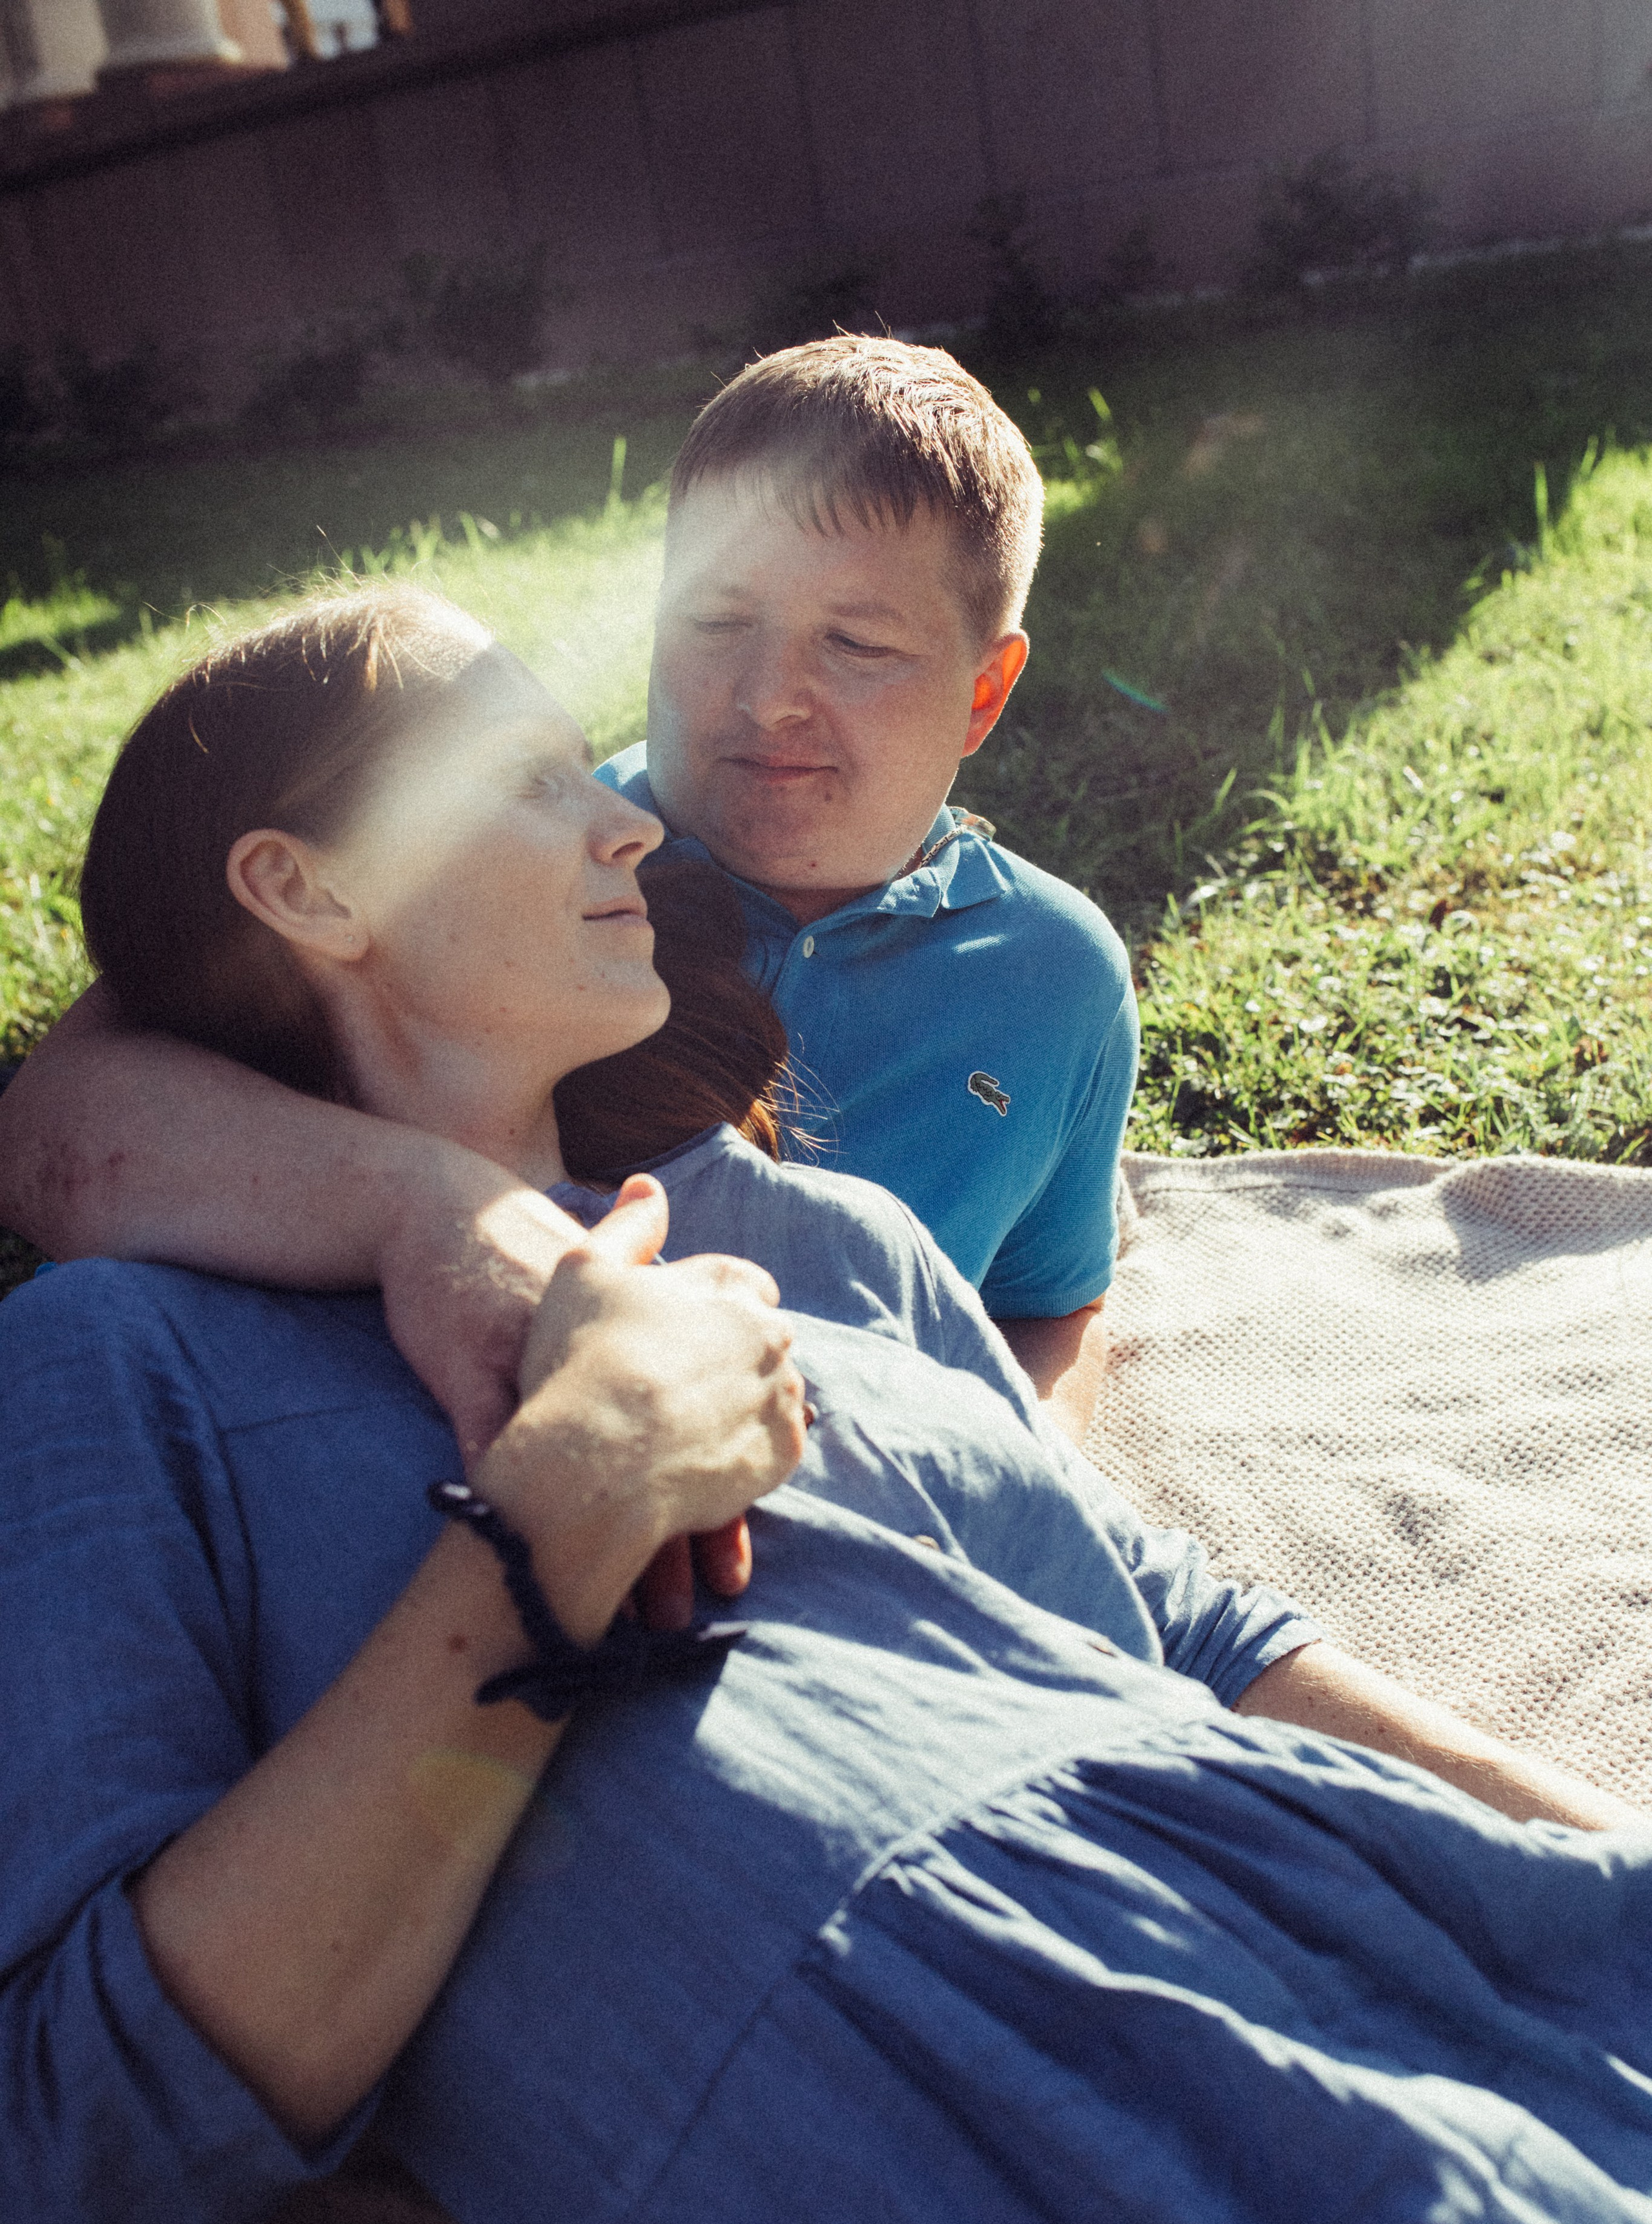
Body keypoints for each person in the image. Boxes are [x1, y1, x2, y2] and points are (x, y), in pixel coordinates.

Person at [3, 585, 1651, 2224]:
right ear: (308, 889)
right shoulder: (125, 1364)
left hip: (1348, 1926)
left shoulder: (825, 1238)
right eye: (533, 779)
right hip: (940, 2146)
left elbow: (1177, 1638)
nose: (628, 817)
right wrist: (562, 1514)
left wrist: (1590, 1850)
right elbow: (95, 2138)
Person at [0, 336, 1131, 1455]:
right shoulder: (510, 870)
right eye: (716, 620)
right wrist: (432, 1210)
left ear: (983, 693)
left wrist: (1020, 1486)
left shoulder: (1057, 981)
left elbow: (1047, 1300)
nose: (767, 696)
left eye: (856, 641)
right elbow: (59, 1124)